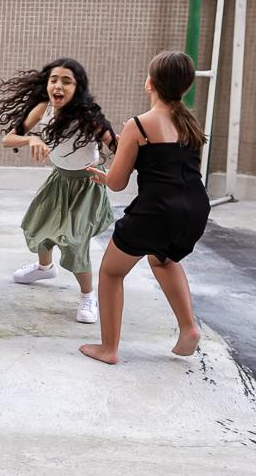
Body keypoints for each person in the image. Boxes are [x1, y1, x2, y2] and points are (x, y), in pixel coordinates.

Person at [80, 51, 209, 364]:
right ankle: (189, 328)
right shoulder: (192, 124)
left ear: (149, 84)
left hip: (157, 211)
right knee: (163, 258)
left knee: (111, 272)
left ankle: (108, 349)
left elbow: (117, 183)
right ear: (187, 87)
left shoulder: (140, 125)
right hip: (194, 209)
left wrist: (119, 156)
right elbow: (172, 165)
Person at [0, 58, 117, 324]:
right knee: (36, 225)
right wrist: (31, 137)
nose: (58, 86)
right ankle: (45, 268)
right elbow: (7, 139)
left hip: (87, 185)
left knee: (74, 241)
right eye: (54, 80)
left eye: (66, 81)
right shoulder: (43, 109)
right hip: (59, 179)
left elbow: (118, 146)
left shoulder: (88, 118)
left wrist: (113, 175)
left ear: (77, 87)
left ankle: (87, 295)